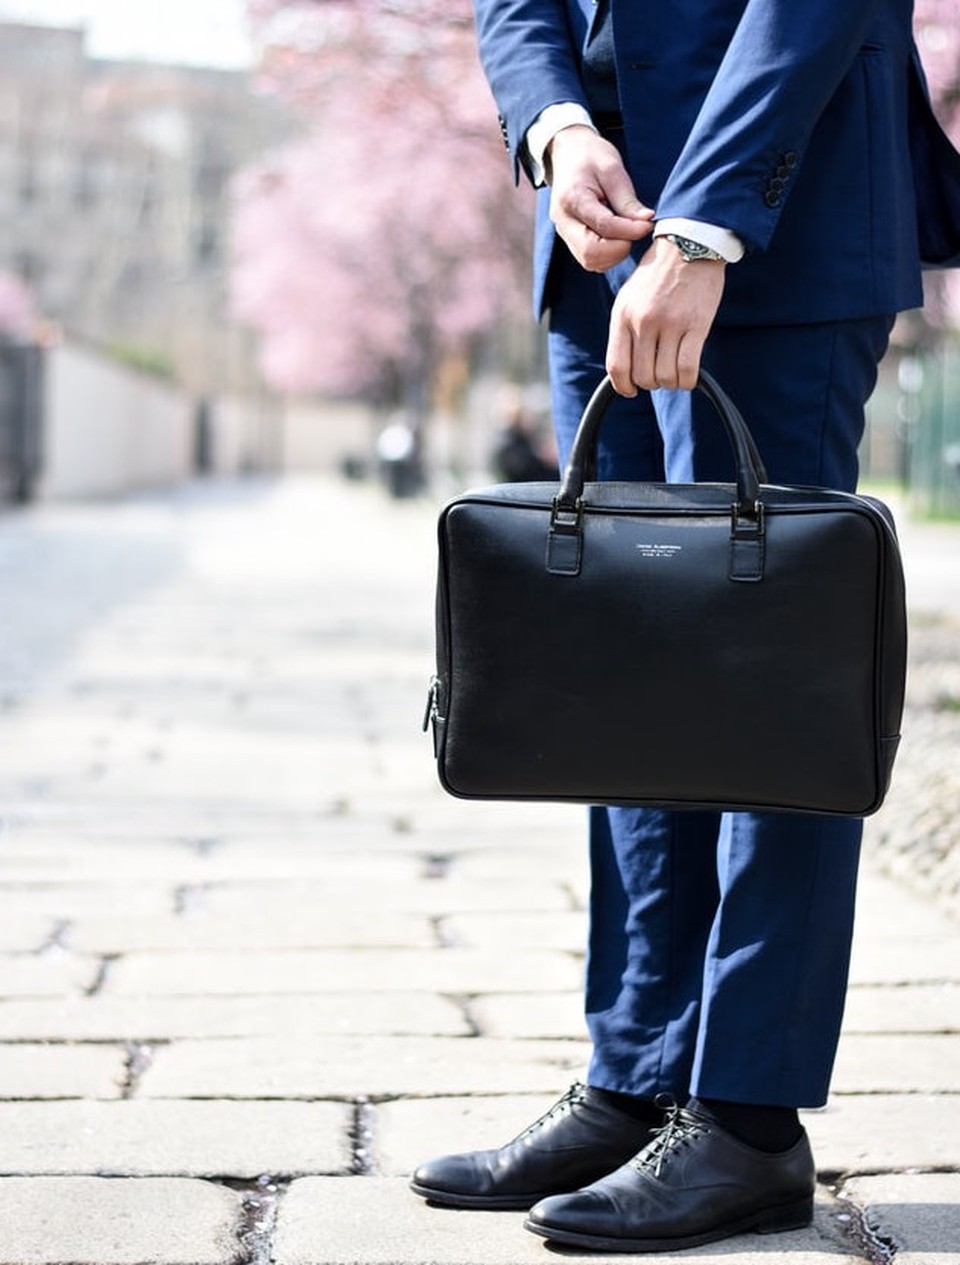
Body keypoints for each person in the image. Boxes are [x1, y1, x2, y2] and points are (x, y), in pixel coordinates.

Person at [411, 0, 960, 1254]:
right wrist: (553, 127)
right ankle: (637, 1074)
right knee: (625, 676)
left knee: (776, 683)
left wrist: (707, 224)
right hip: (594, 235)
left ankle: (749, 1118)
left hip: (782, 205)